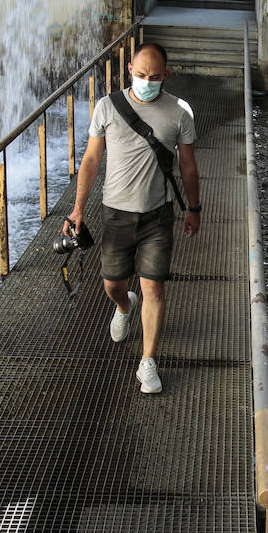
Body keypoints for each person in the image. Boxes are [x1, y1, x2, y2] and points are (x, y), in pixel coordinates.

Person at [64, 42, 201, 393]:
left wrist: (194, 208)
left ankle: (148, 362)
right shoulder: (107, 107)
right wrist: (78, 209)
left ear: (166, 75)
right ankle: (125, 307)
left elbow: (187, 165)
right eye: (141, 75)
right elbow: (92, 161)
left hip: (159, 214)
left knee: (154, 286)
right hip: (116, 214)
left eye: (154, 76)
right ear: (129, 71)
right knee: (113, 284)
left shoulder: (179, 112)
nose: (147, 81)